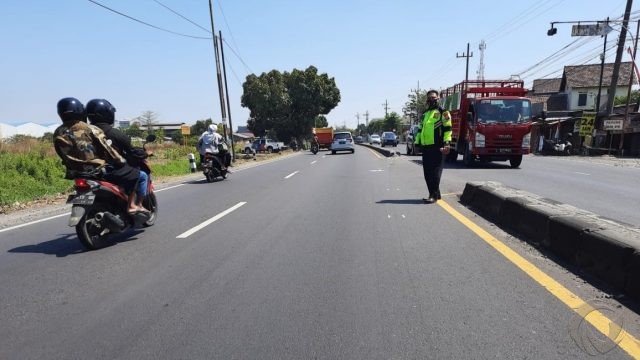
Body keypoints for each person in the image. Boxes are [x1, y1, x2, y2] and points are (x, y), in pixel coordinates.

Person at [54, 97, 146, 214]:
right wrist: (120, 161)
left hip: (75, 172)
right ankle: (132, 205)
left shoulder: (58, 132)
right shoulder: (90, 129)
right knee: (137, 175)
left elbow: (60, 152)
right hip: (98, 170)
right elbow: (107, 149)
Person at [84, 98, 150, 214]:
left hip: (91, 171)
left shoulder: (84, 132)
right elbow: (132, 151)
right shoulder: (114, 133)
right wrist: (145, 153)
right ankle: (134, 205)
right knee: (141, 175)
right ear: (107, 114)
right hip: (111, 170)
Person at [413, 89, 452, 203]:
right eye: (429, 98)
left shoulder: (443, 112)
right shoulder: (425, 114)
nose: (431, 100)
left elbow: (448, 129)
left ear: (438, 98)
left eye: (433, 98)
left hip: (438, 146)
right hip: (426, 147)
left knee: (435, 172)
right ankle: (436, 193)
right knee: (427, 172)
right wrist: (416, 143)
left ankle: (433, 195)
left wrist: (447, 143)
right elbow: (420, 130)